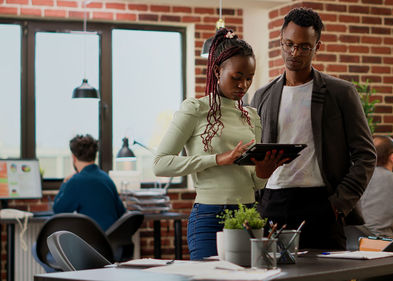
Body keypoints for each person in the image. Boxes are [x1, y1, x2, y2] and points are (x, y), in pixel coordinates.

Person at [153, 28, 285, 260]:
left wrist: (264, 172)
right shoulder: (195, 109)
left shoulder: (251, 116)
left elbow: (255, 180)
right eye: (237, 77)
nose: (244, 85)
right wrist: (217, 159)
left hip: (248, 214)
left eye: (249, 78)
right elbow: (160, 164)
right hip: (209, 216)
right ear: (217, 70)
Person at [251, 7, 376, 250]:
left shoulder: (340, 93)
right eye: (288, 44)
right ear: (281, 41)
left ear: (317, 46)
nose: (294, 52)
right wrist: (257, 202)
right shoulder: (262, 96)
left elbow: (366, 155)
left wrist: (339, 204)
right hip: (272, 203)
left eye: (303, 46)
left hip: (321, 203)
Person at [53, 134, 126, 231]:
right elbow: (122, 212)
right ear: (94, 156)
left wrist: (65, 182)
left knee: (36, 246)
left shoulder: (76, 181)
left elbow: (58, 211)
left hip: (92, 243)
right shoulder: (106, 178)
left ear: (74, 158)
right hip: (111, 242)